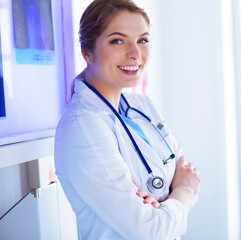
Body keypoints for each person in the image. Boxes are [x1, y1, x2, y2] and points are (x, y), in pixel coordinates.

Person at [54, 0, 202, 239]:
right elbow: (150, 230)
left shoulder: (142, 106)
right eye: (118, 41)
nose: (135, 54)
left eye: (142, 40)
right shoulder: (83, 127)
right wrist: (180, 191)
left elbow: (189, 175)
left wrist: (166, 201)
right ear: (86, 52)